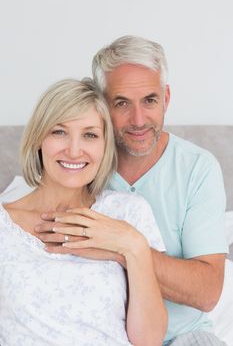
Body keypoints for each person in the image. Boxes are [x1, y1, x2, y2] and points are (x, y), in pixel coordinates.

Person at [37, 36, 228, 345]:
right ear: (100, 104)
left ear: (166, 98)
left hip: (182, 336)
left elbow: (206, 293)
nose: (138, 121)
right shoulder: (75, 165)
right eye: (122, 103)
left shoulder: (197, 168)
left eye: (150, 100)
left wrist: (125, 248)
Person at [0, 78, 168, 345]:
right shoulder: (3, 226)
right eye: (59, 132)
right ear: (38, 139)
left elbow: (149, 340)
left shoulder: (127, 212)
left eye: (90, 135)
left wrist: (133, 247)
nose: (74, 150)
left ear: (104, 146)